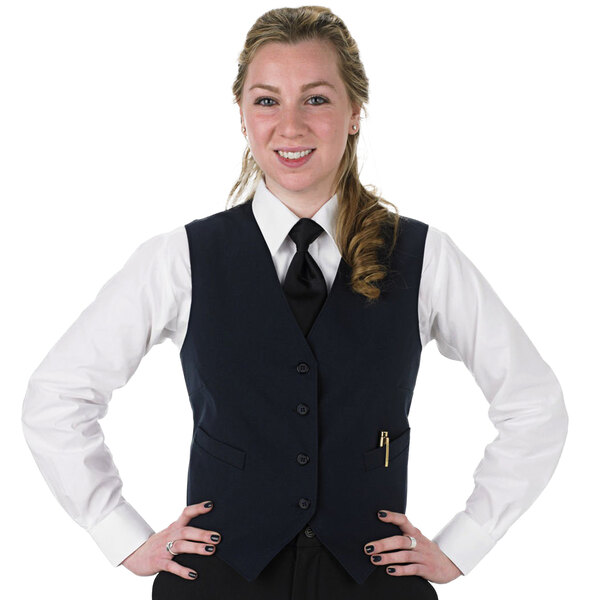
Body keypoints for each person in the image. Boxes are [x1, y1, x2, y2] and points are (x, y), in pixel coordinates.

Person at [21, 5, 568, 600]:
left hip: (371, 583)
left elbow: (534, 405)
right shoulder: (179, 258)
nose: (290, 125)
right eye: (266, 100)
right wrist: (118, 533)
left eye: (315, 99)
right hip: (220, 582)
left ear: (355, 112)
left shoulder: (424, 256)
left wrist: (466, 544)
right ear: (241, 116)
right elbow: (57, 397)